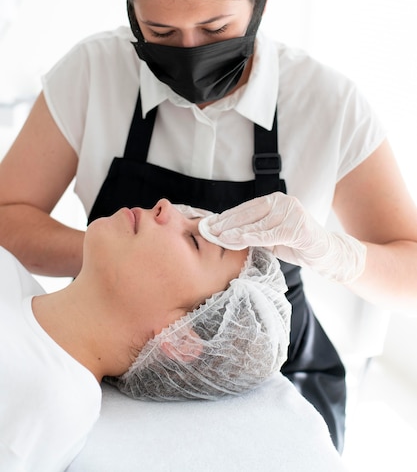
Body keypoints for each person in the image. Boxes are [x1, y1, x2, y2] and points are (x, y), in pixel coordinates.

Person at [0, 0, 416, 452]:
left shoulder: (328, 105)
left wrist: (334, 253)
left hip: (285, 376)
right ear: (131, 12)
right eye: (161, 33)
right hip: (116, 347)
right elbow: (8, 212)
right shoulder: (93, 72)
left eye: (216, 29)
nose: (191, 51)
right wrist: (120, 269)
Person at [0, 198, 291, 472]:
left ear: (180, 339)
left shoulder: (46, 404)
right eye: (190, 217)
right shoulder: (8, 270)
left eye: (193, 240)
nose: (165, 205)